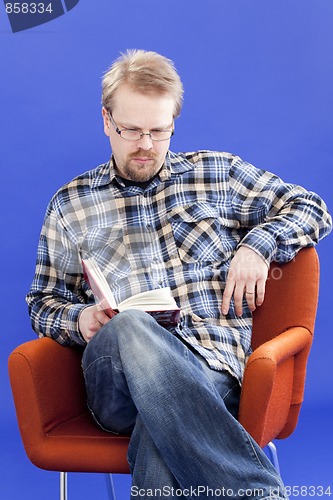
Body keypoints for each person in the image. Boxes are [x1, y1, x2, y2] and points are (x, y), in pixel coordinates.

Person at [27, 49, 331, 499]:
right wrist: (80, 320)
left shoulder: (217, 174)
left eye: (159, 131)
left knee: (161, 435)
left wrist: (257, 244)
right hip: (117, 381)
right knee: (132, 324)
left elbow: (312, 208)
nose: (146, 144)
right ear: (107, 121)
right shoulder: (70, 204)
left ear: (173, 125)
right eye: (132, 130)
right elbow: (43, 302)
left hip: (212, 368)